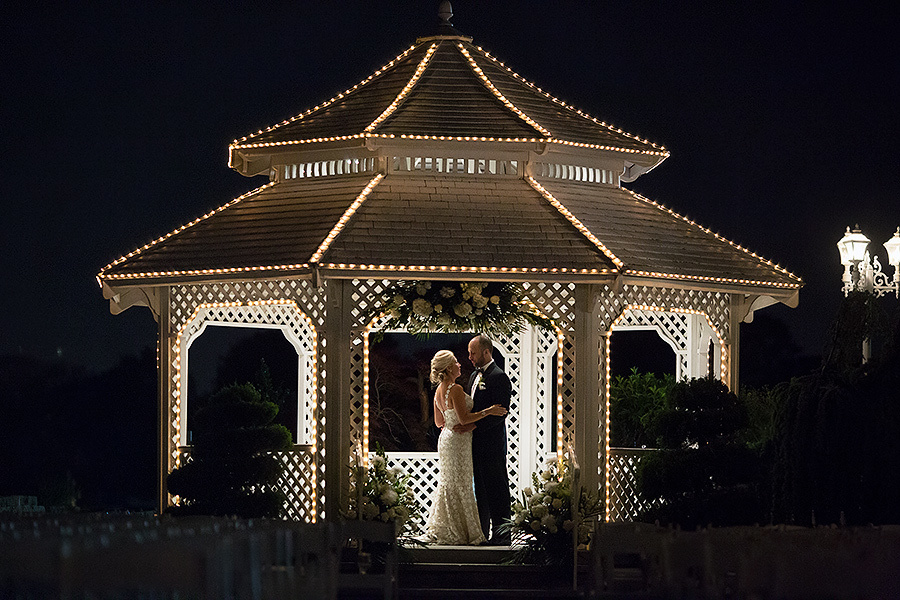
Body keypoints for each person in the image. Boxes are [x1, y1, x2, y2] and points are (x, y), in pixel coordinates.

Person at [425, 350, 507, 545]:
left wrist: (450, 422)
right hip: (459, 441)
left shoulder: (438, 390)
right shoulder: (455, 389)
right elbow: (464, 419)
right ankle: (462, 530)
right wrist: (488, 411)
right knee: (461, 484)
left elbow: (438, 422)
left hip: (447, 438)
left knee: (449, 482)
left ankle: (448, 526)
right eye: (456, 362)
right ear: (448, 368)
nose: (460, 364)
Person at [467, 333, 513, 545]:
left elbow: (501, 413)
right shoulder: (473, 376)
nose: (470, 357)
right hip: (474, 443)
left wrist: (474, 425)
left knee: (497, 489)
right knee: (480, 490)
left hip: (492, 444)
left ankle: (502, 536)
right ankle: (482, 533)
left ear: (486, 352)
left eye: (473, 353)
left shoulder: (499, 377)